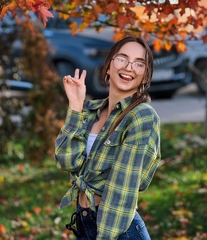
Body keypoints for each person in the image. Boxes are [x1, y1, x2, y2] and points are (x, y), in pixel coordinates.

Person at [54, 36, 161, 240]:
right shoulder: (91, 110)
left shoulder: (142, 117)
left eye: (139, 63)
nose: (129, 67)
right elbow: (67, 160)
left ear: (145, 75)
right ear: (109, 64)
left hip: (117, 230)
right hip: (86, 221)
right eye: (122, 59)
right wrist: (76, 107)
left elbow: (123, 189)